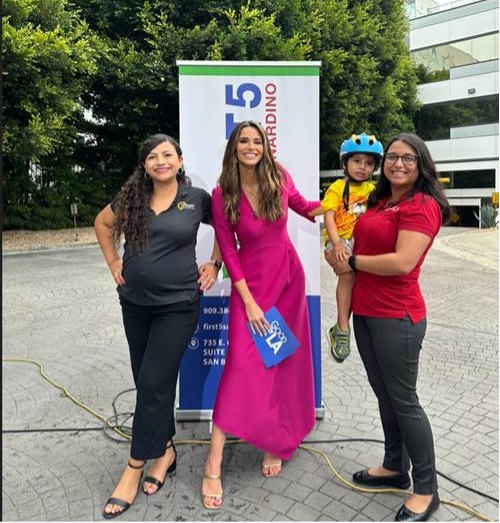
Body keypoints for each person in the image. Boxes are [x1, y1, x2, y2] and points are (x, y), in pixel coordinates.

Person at [94, 134, 222, 519]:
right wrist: (114, 262)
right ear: (145, 165)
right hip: (133, 304)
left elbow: (227, 232)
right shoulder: (132, 197)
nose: (161, 161)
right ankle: (165, 451)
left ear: (180, 160)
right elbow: (102, 223)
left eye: (168, 154)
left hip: (178, 306)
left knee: (152, 381)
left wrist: (215, 263)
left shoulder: (197, 198)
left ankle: (134, 467)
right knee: (149, 379)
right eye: (153, 156)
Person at [326, 133, 450, 522]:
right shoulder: (380, 200)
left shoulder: (422, 205)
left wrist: (353, 263)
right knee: (384, 395)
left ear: (421, 164)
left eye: (407, 158)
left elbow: (402, 262)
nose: (398, 164)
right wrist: (339, 254)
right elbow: (346, 237)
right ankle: (395, 467)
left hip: (398, 317)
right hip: (365, 312)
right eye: (392, 157)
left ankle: (426, 490)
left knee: (404, 400)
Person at [202, 120, 322, 509]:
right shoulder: (222, 194)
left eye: (257, 141)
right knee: (239, 368)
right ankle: (212, 464)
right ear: (234, 148)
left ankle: (275, 440)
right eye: (243, 141)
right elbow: (228, 251)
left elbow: (306, 208)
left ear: (265, 147)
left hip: (287, 284)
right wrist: (249, 301)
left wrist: (339, 203)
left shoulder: (279, 177)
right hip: (250, 292)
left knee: (280, 365)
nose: (251, 147)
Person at [321, 133, 383, 363]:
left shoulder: (372, 190)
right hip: (341, 241)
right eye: (356, 161)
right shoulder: (338, 187)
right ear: (345, 162)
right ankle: (343, 328)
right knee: (347, 274)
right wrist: (336, 243)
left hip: (363, 242)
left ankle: (339, 329)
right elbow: (328, 216)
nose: (362, 167)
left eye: (369, 163)